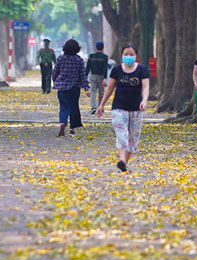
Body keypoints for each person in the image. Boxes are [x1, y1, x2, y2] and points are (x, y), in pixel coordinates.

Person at [96, 43, 150, 172]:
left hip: (136, 108)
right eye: (126, 54)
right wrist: (102, 104)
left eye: (131, 54)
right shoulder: (117, 70)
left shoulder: (142, 70)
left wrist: (144, 100)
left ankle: (124, 163)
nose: (128, 56)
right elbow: (110, 88)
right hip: (119, 107)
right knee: (122, 134)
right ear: (121, 55)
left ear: (136, 56)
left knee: (133, 137)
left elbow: (146, 86)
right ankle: (121, 159)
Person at [52, 38, 90, 137]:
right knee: (74, 107)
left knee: (63, 106)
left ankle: (63, 123)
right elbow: (83, 75)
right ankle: (73, 129)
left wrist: (55, 83)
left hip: (62, 87)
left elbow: (55, 72)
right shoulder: (79, 60)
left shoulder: (61, 58)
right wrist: (86, 88)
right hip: (74, 87)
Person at [85, 41, 109, 114]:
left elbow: (88, 67)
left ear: (95, 47)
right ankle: (100, 107)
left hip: (93, 75)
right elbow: (105, 68)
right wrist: (105, 78)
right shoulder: (105, 57)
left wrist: (85, 76)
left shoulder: (91, 56)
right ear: (103, 48)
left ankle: (93, 107)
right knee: (101, 92)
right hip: (101, 76)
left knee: (93, 91)